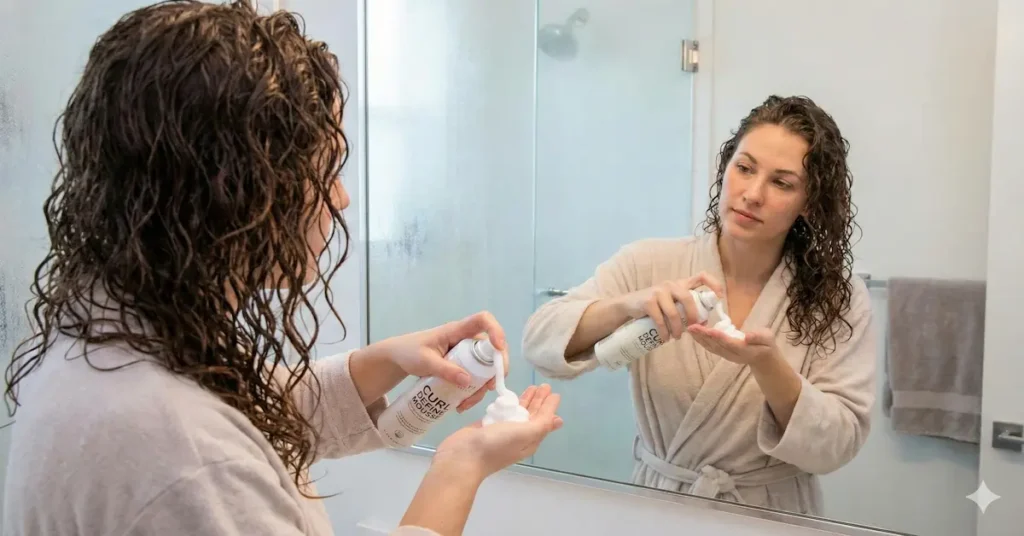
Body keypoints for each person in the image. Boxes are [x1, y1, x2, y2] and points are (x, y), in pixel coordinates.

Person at [2, 2, 562, 535]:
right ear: (235, 191)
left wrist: (382, 361)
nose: (341, 199)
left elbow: (247, 408)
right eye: (326, 172)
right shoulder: (182, 455)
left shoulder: (112, 340)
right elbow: (213, 445)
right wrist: (459, 468)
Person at [522, 95, 875, 515]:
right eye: (744, 168)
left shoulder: (837, 299)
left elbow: (837, 444)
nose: (752, 194)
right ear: (724, 168)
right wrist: (626, 306)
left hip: (769, 515)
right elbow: (539, 342)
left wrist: (767, 366)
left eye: (781, 183)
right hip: (660, 506)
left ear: (809, 204)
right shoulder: (648, 263)